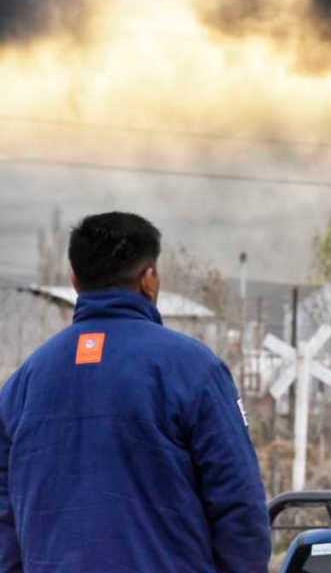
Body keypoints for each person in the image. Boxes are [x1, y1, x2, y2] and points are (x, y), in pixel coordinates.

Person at [0, 212, 271, 573]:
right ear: (149, 279)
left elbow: (4, 520)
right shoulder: (193, 370)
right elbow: (239, 506)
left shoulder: (23, 384)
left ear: (75, 280)